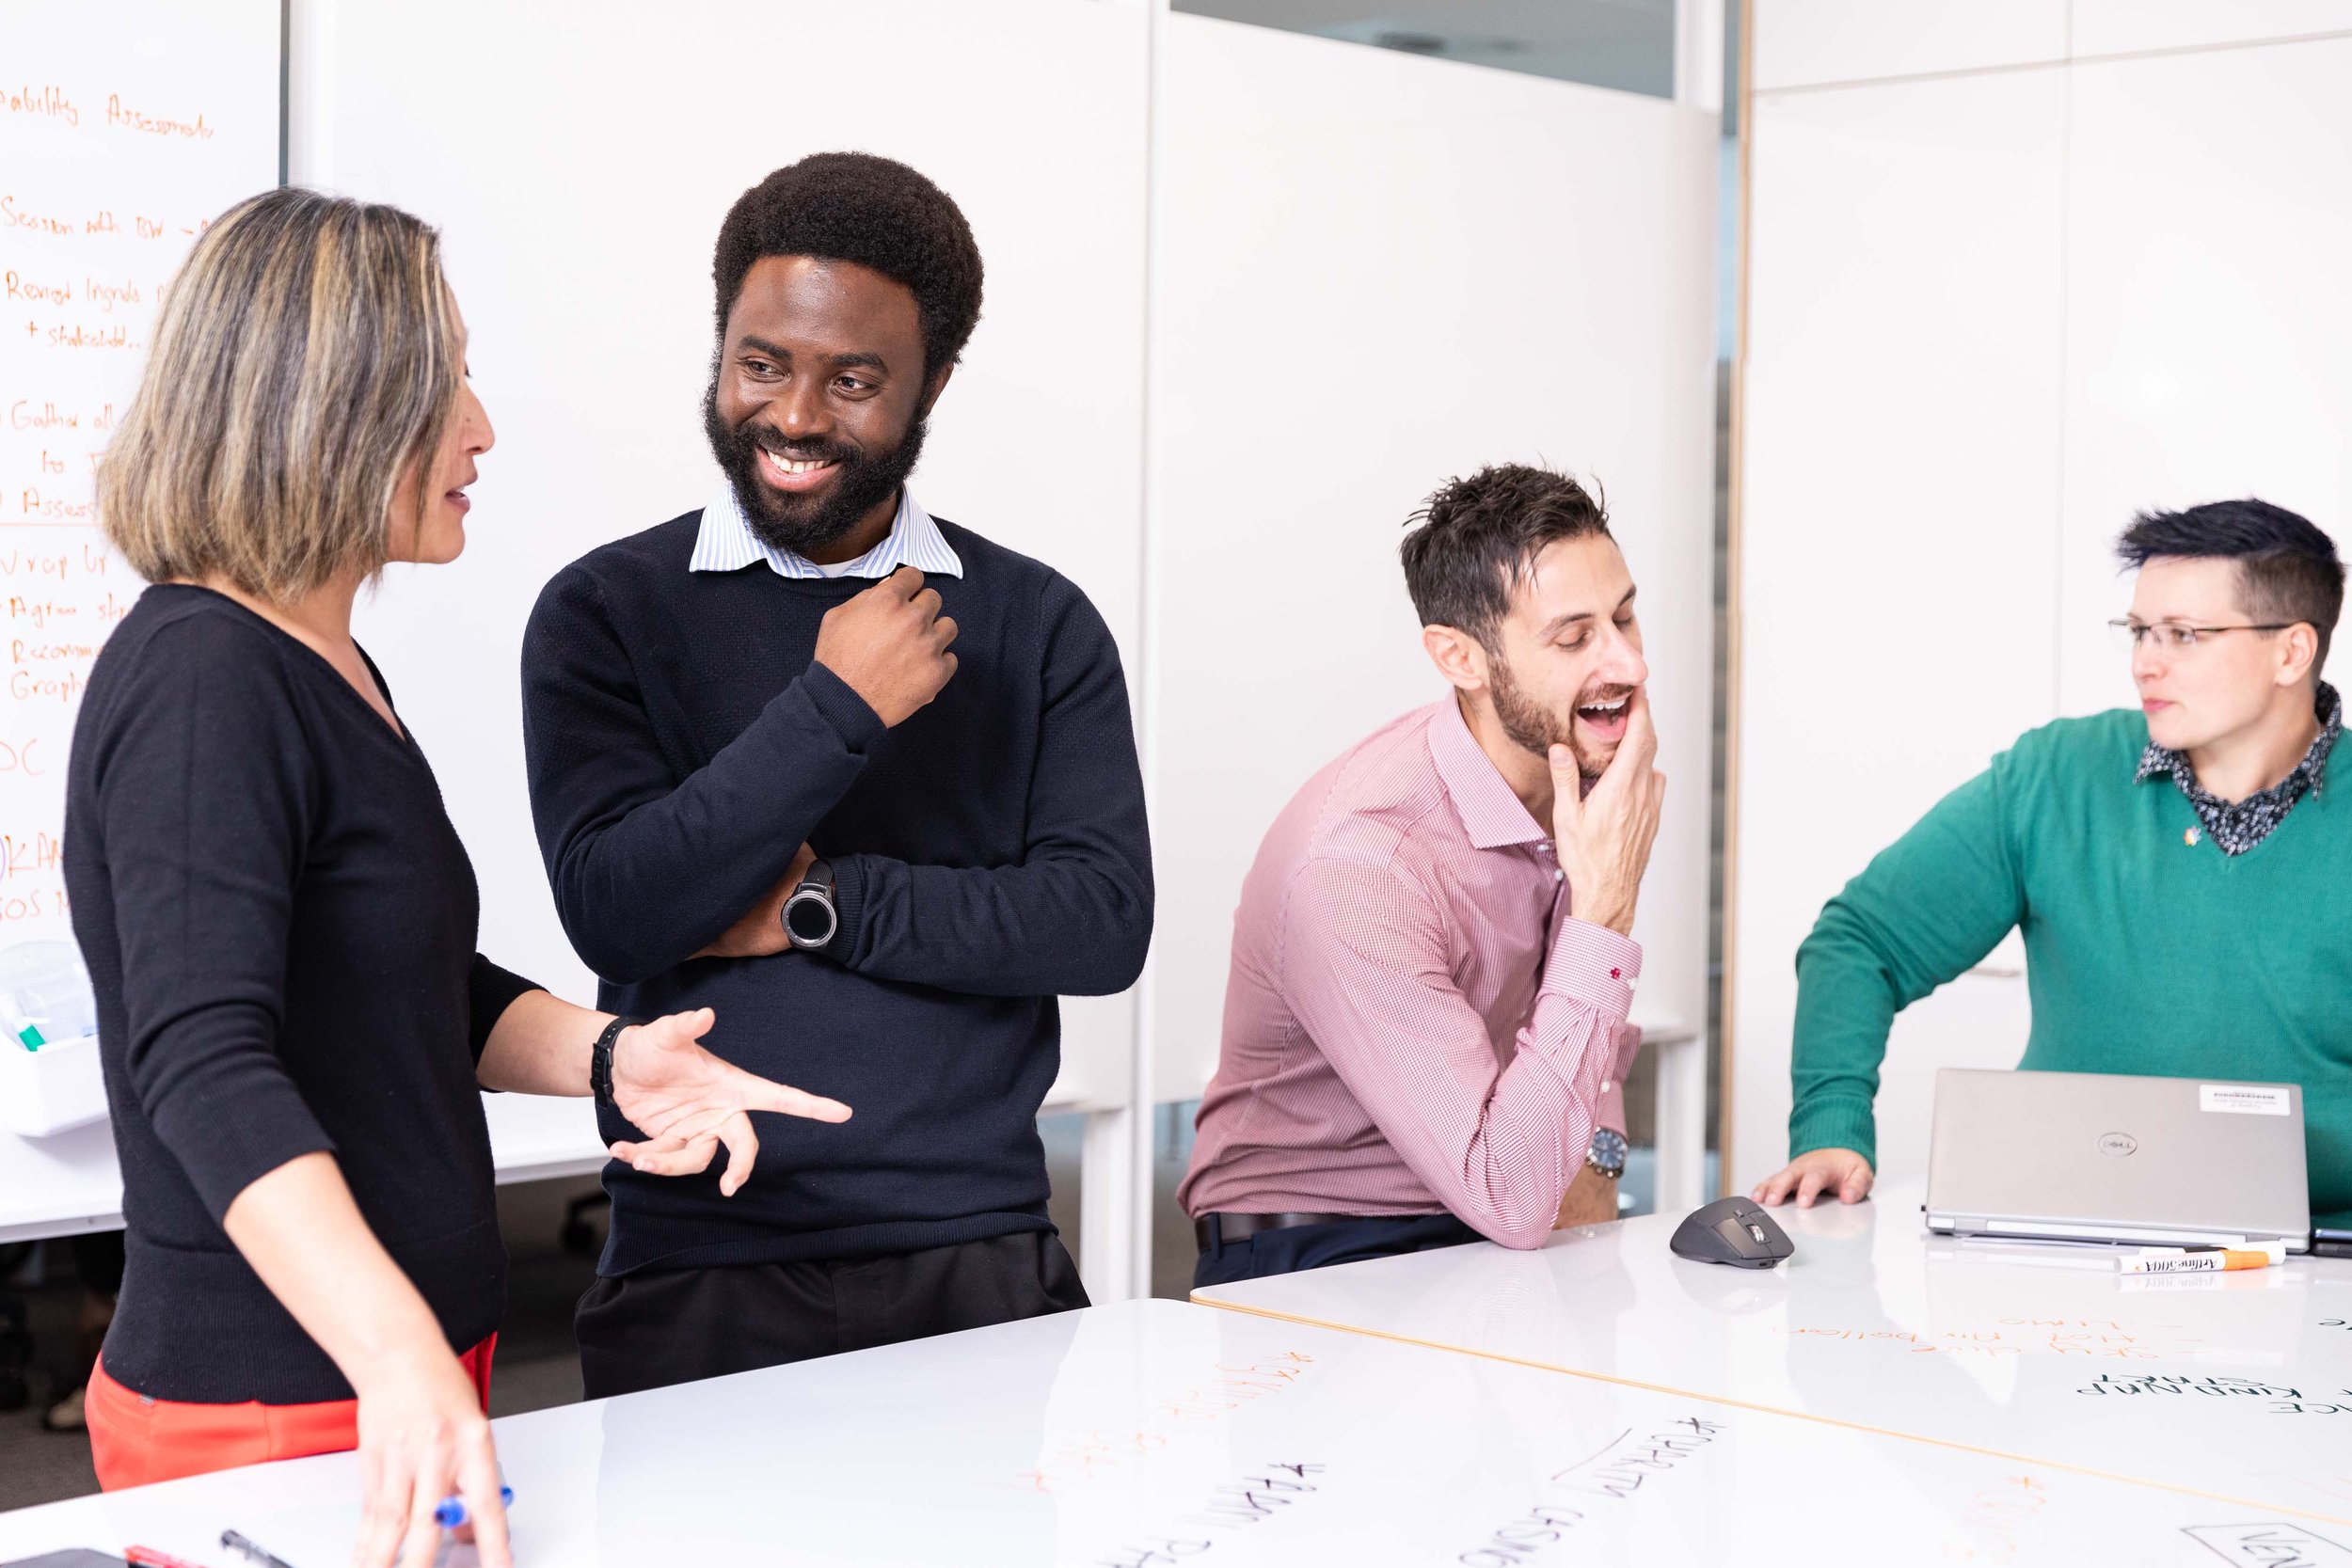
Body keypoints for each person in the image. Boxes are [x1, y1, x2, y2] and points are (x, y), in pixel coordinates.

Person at [70, 188, 849, 1568]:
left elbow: (421, 986)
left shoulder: (327, 667)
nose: (481, 428)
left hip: (387, 1370)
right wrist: (393, 1349)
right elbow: (201, 1056)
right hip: (277, 1395)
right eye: (447, 384)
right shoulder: (204, 680)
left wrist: (617, 1057)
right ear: (330, 406)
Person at [521, 152, 1152, 1398]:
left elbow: (1097, 923)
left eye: (853, 380)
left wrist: (827, 904)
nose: (796, 417)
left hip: (974, 1251)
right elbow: (617, 903)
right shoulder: (606, 609)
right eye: (762, 363)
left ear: (934, 385)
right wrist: (835, 709)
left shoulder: (1036, 620)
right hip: (697, 1258)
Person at [1752, 499, 2351, 1227]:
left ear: (2291, 651)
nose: (2144, 662)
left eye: (2185, 635)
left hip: (2324, 1260)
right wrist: (1830, 1128)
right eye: (2139, 631)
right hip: (2064, 1244)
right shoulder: (2056, 777)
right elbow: (1860, 941)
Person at [1178, 464, 1665, 1288]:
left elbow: (1572, 1055)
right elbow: (1508, 1195)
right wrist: (1606, 910)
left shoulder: (1578, 771)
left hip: (1492, 1217)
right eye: (1574, 636)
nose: (1627, 663)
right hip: (1320, 1253)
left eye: (1624, 616)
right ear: (1459, 657)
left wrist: (1596, 1184)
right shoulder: (1364, 864)